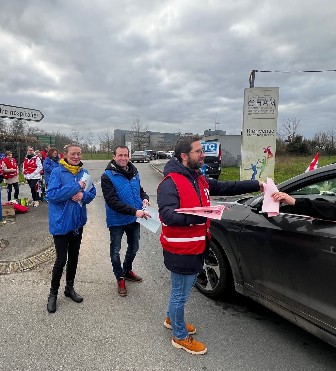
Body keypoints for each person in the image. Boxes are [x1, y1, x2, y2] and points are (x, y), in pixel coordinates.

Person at [157, 136, 263, 355]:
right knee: (181, 293)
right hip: (180, 250)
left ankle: (172, 318)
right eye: (198, 151)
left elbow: (225, 186)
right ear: (184, 156)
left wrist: (257, 184)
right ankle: (179, 335)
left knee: (182, 291)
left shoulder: (199, 178)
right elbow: (167, 215)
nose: (203, 155)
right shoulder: (170, 182)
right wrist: (199, 216)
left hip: (197, 245)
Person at [44, 144, 96, 313]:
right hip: (60, 223)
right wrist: (75, 187)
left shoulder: (84, 173)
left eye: (79, 154)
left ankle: (69, 288)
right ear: (64, 155)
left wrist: (83, 195)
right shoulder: (58, 172)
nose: (76, 156)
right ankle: (53, 294)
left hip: (77, 222)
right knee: (61, 260)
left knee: (74, 257)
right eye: (73, 154)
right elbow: (51, 195)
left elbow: (92, 192)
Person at [101, 145, 150, 297]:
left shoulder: (134, 172)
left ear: (129, 156)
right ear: (114, 157)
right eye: (120, 155)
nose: (123, 158)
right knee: (115, 250)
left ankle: (127, 270)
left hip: (134, 218)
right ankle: (119, 277)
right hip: (117, 220)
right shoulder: (107, 176)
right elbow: (112, 201)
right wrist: (135, 211)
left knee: (134, 247)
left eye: (125, 155)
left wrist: (145, 199)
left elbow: (140, 190)